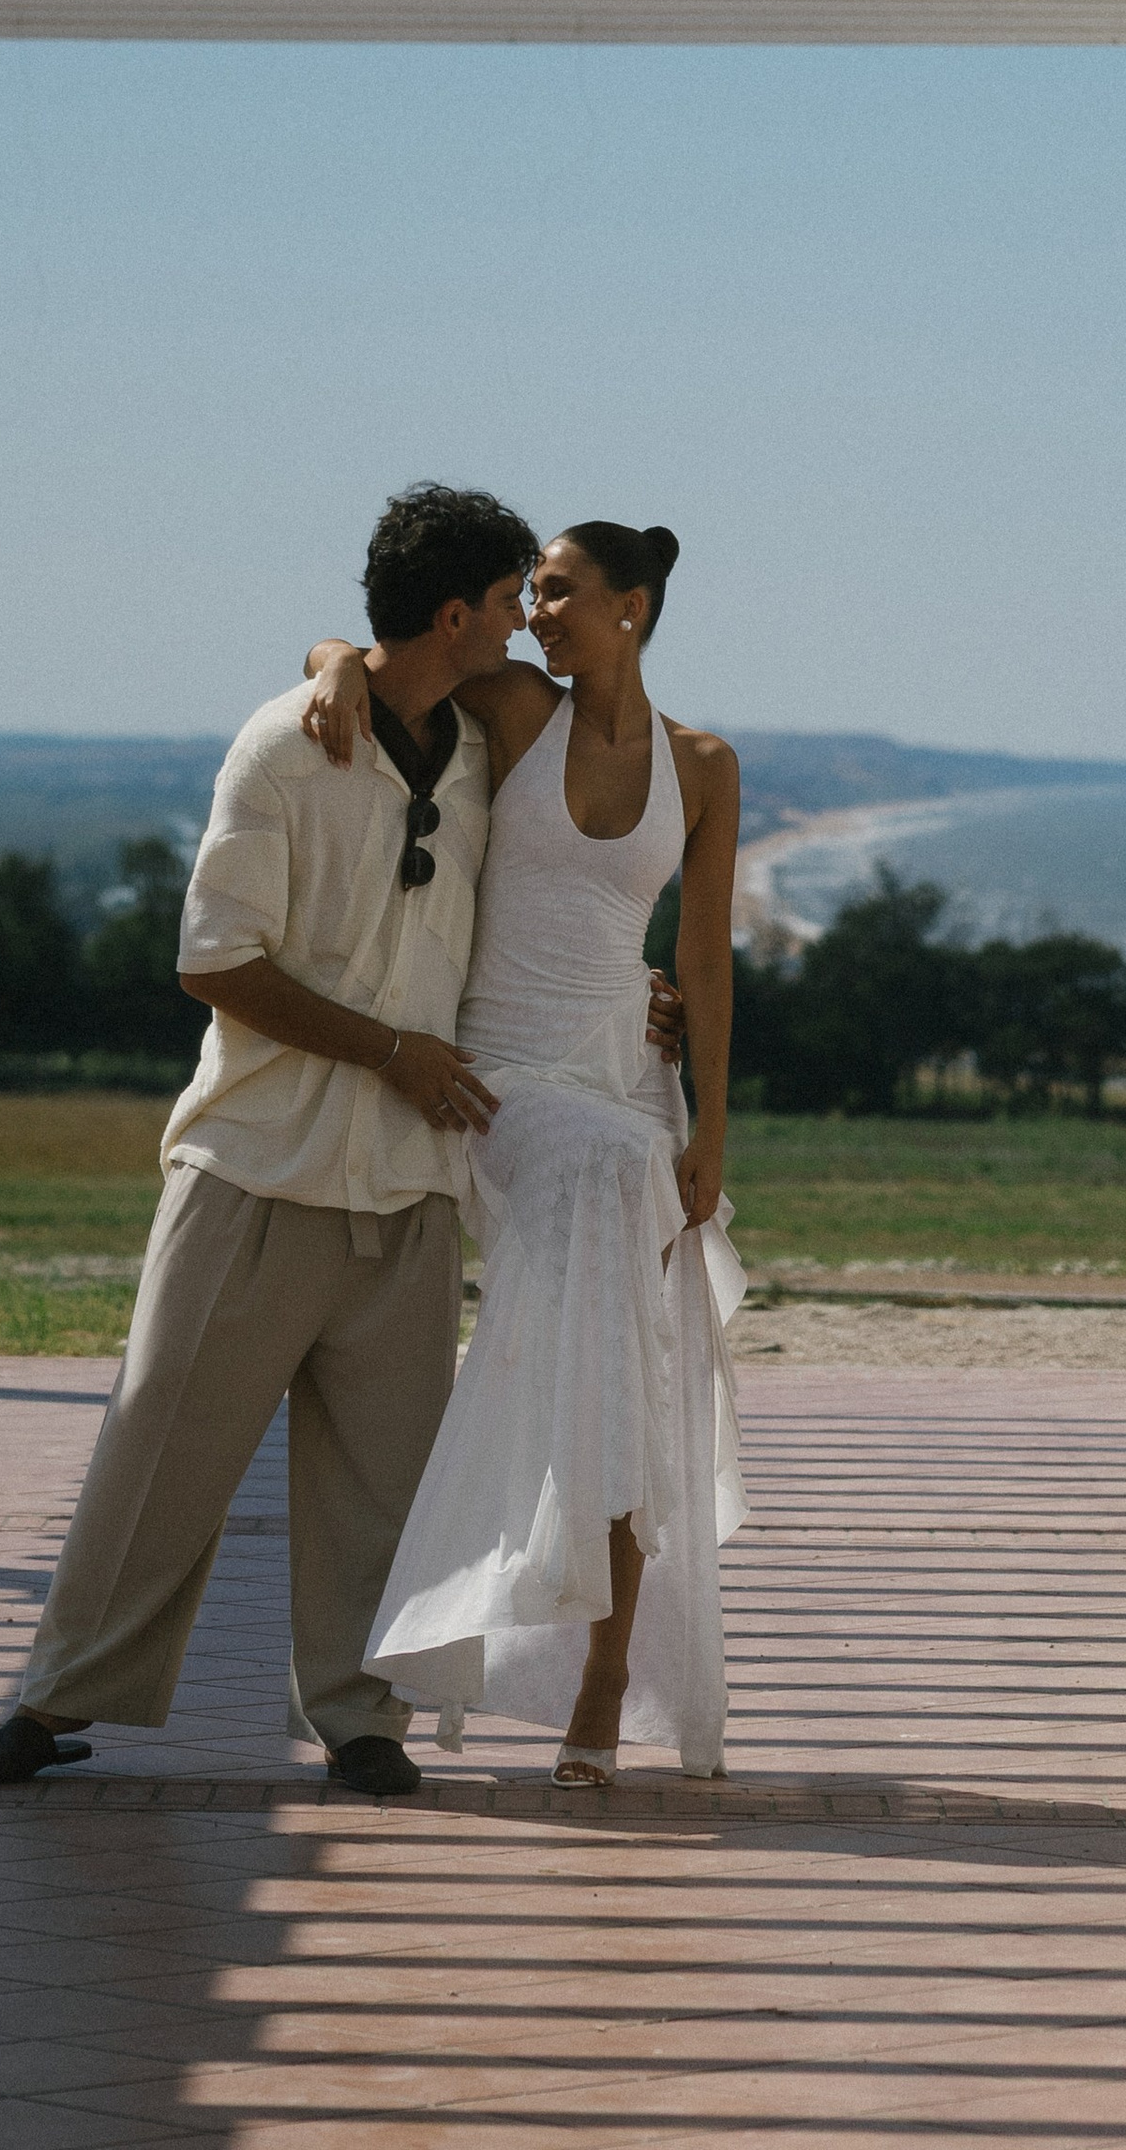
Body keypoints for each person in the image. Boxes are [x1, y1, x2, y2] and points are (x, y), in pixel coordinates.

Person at [0, 481, 538, 1802]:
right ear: (456, 611)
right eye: (508, 604)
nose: (523, 628)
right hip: (254, 1167)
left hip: (405, 1185)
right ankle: (57, 1700)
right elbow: (216, 965)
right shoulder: (284, 746)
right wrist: (394, 1053)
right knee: (159, 1445)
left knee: (385, 1484)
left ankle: (360, 1718)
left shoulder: (491, 740)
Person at [301, 520, 746, 1783]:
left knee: (630, 1338)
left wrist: (710, 1128)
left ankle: (607, 1668)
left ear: (634, 606)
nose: (532, 613)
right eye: (531, 593)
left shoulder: (702, 766)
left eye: (556, 593)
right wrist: (331, 659)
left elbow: (703, 957)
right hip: (503, 1072)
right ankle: (553, 1639)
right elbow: (384, 660)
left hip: (626, 1076)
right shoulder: (509, 705)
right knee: (613, 1197)